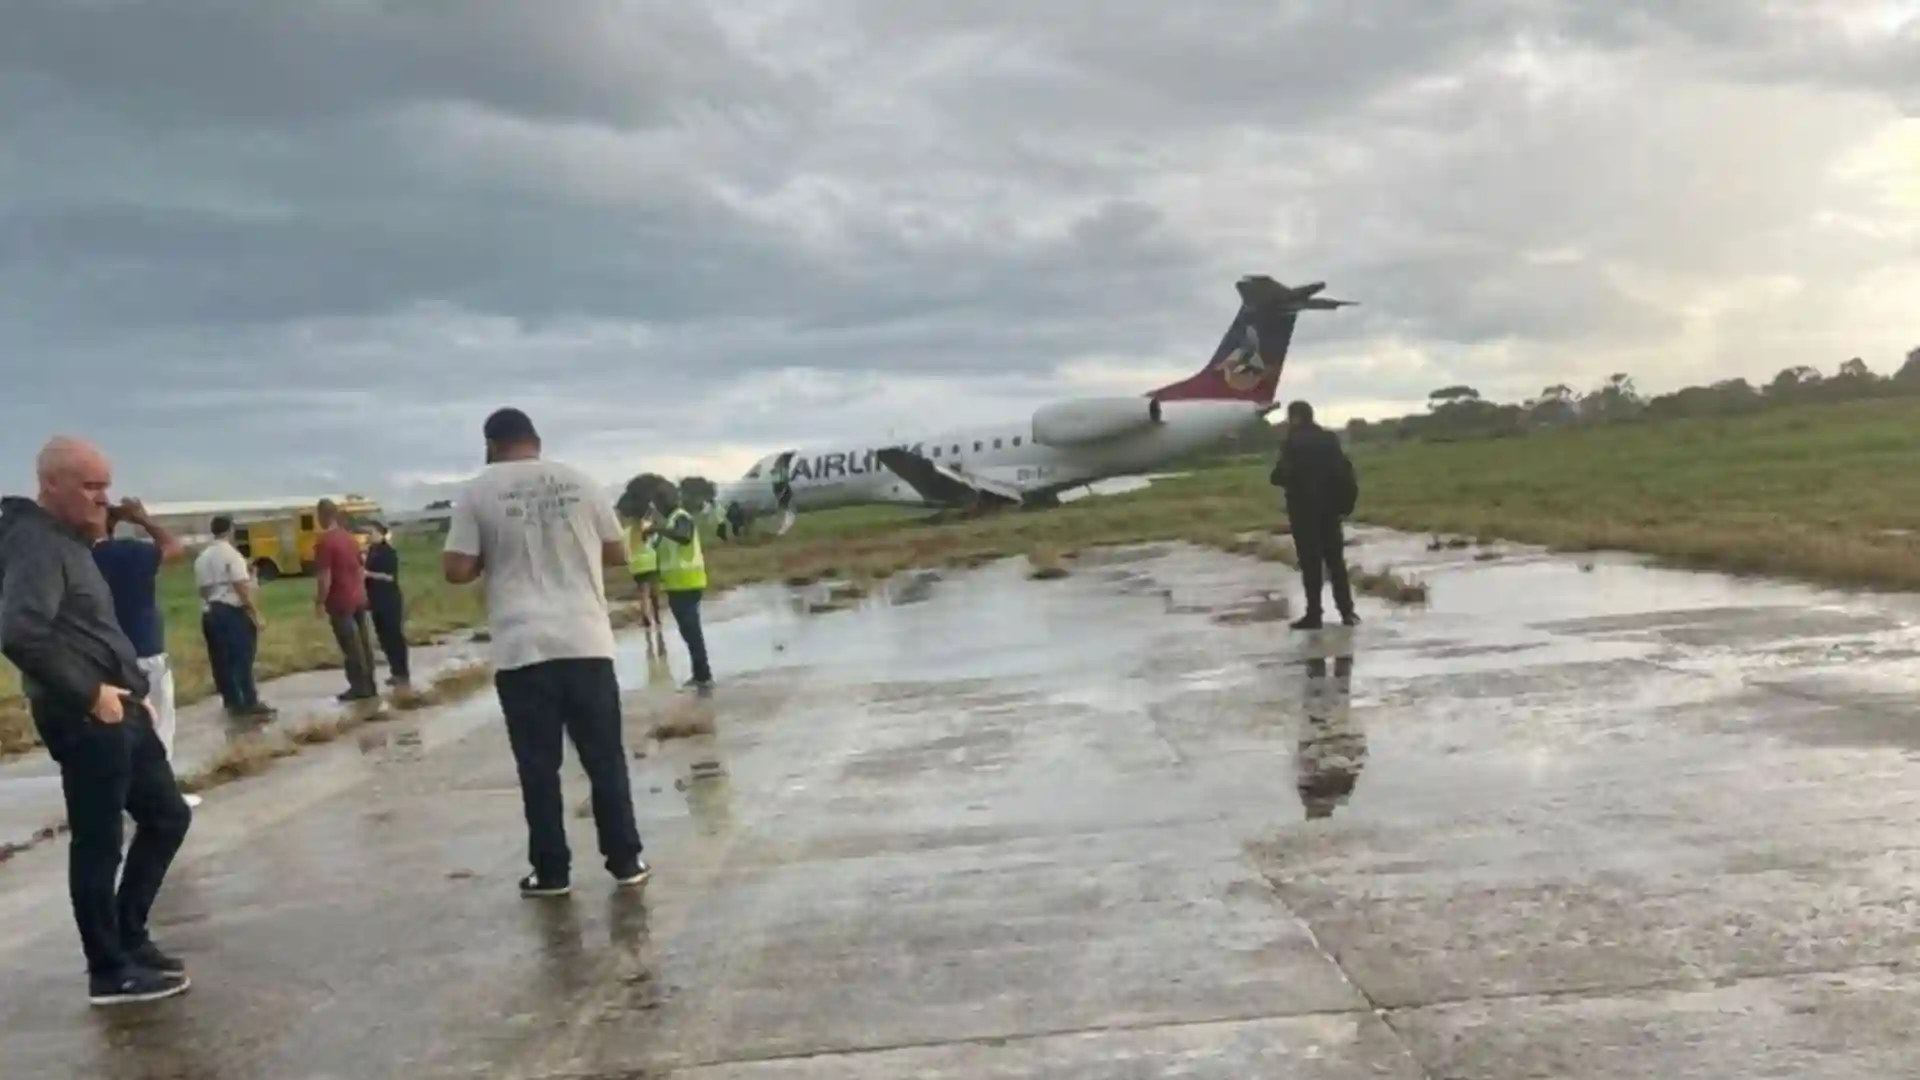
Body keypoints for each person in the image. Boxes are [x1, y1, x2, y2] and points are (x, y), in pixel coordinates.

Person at [0, 437, 193, 1006]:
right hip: (85, 716)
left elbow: (82, 627)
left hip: (121, 707)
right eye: (90, 487)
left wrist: (132, 692)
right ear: (51, 485)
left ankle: (129, 937)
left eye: (105, 486)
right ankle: (108, 969)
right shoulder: (35, 542)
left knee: (167, 817)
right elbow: (20, 629)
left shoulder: (66, 539)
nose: (102, 499)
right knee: (99, 840)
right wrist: (90, 694)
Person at [442, 407, 648, 898]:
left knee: (539, 767)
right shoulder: (581, 481)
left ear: (491, 444)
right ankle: (625, 860)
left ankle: (552, 872)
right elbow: (619, 552)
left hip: (523, 647)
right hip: (586, 641)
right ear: (536, 440)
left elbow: (457, 569)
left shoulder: (477, 490)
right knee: (604, 759)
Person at [91, 497, 202, 809]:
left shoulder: (78, 557)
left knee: (117, 729)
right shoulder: (130, 554)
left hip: (103, 657)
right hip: (144, 651)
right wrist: (142, 518)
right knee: (158, 725)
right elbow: (173, 547)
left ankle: (122, 795)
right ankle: (161, 796)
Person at [1269, 400, 1360, 630]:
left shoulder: (1292, 443)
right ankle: (1347, 612)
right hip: (1330, 510)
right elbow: (1343, 471)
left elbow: (1280, 475)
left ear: (1296, 418)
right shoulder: (1330, 439)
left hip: (1304, 512)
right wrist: (1344, 505)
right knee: (1336, 563)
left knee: (1311, 565)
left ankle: (1314, 614)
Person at [194, 515, 274, 719]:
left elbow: (202, 590)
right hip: (231, 610)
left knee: (220, 659)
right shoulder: (232, 555)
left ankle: (231, 700)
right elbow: (241, 587)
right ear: (230, 530)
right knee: (242, 657)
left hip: (210, 611)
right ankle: (249, 700)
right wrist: (255, 613)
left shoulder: (202, 557)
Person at [649, 485, 713, 693]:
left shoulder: (681, 517)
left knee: (692, 631)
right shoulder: (669, 522)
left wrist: (658, 529)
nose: (659, 506)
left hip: (688, 583)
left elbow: (684, 536)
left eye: (661, 501)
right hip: (676, 586)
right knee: (688, 632)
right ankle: (699, 674)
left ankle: (704, 676)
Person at [313, 498, 378, 703]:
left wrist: (319, 601)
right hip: (358, 596)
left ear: (323, 516)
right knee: (364, 642)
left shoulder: (325, 542)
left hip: (340, 600)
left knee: (350, 645)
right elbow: (360, 568)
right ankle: (370, 683)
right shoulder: (350, 539)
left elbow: (326, 576)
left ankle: (359, 687)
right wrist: (362, 592)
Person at [361, 521, 411, 690]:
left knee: (394, 636)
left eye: (372, 532)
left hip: (389, 599)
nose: (369, 536)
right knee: (383, 638)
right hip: (375, 599)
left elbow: (390, 577)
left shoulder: (388, 552)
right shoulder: (371, 551)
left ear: (381, 533)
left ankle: (402, 672)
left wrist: (369, 574)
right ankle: (395, 671)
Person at [625, 512, 666, 657]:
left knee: (644, 594)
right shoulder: (649, 526)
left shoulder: (627, 532)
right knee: (655, 593)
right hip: (651, 562)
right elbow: (656, 542)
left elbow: (625, 549)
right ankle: (657, 618)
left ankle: (646, 620)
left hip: (637, 565)